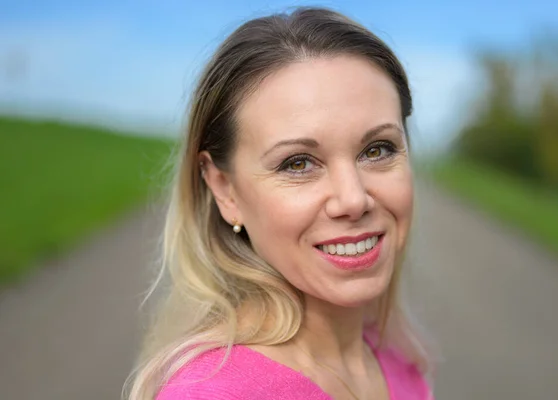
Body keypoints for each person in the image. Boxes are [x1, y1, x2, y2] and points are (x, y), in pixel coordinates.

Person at [126, 6, 434, 400]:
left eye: (377, 150)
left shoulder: (397, 361)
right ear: (225, 189)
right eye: (298, 163)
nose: (353, 199)